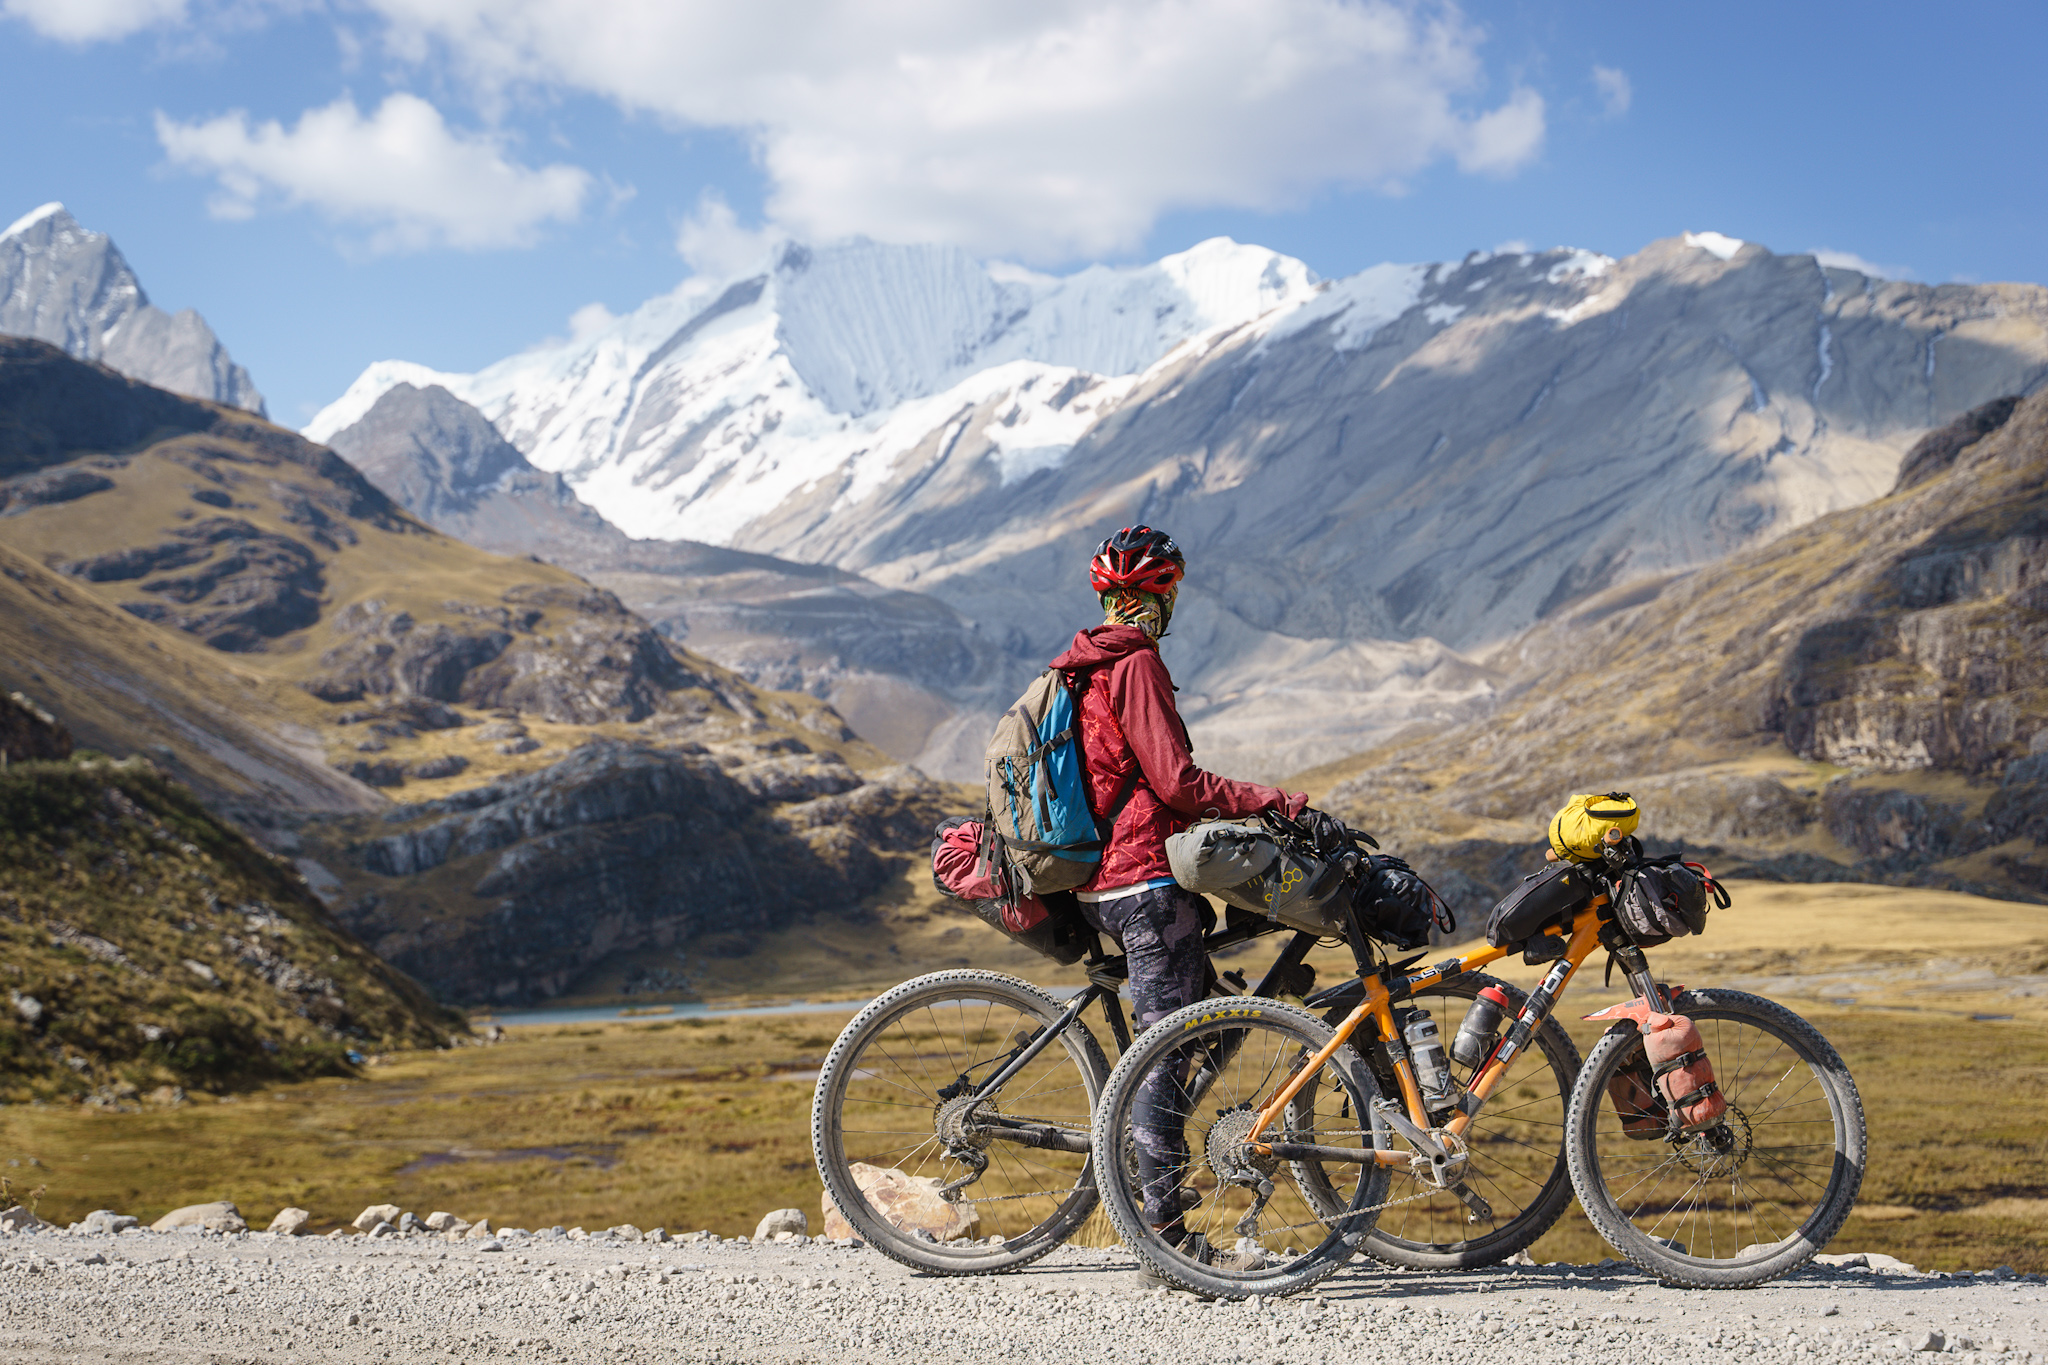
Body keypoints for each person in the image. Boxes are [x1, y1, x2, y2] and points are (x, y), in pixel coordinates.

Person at [1047, 525, 1308, 1261]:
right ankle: (1164, 1235)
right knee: (1166, 1048)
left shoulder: (1085, 664)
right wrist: (1270, 799)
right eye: (1171, 594)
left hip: (1107, 877)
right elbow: (1177, 783)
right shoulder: (1134, 665)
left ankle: (1147, 1153)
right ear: (1157, 597)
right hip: (1143, 881)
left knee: (1216, 1014)